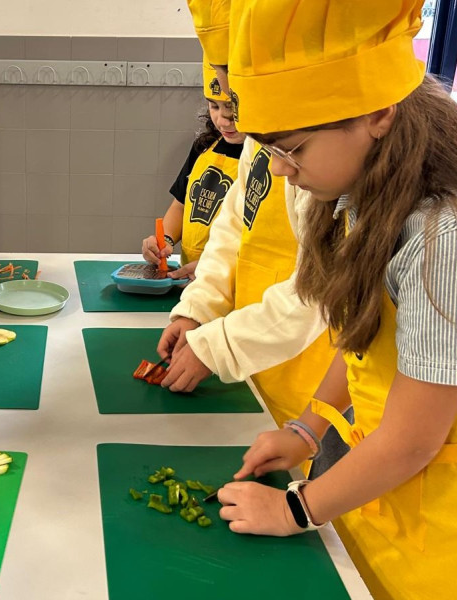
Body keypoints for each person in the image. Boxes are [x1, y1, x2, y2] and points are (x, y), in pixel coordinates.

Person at [217, 3, 457, 599]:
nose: (284, 172)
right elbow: (364, 342)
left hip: (435, 537)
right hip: (375, 503)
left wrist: (294, 511)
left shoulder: (439, 242)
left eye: (292, 149)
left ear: (377, 112)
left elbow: (412, 440)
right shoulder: (362, 199)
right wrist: (306, 429)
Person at [156, 0, 336, 435]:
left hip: (301, 374)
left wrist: (218, 346)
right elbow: (232, 229)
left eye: (233, 89)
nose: (232, 112)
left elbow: (315, 293)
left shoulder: (329, 164)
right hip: (249, 355)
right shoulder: (263, 138)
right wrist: (196, 311)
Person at [142, 58, 245, 281]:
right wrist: (164, 241)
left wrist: (214, 267)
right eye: (214, 106)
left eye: (232, 108)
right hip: (191, 280)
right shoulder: (204, 145)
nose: (223, 121)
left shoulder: (269, 158)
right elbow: (180, 206)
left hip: (234, 281)